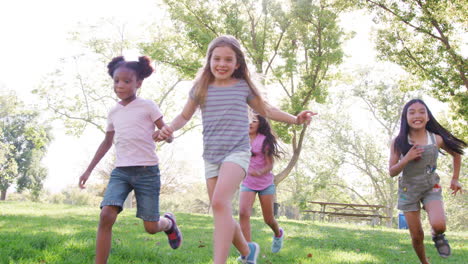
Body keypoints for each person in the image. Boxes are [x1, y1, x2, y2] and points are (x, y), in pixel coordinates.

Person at [155, 35, 316, 264]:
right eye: (217, 59)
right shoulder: (200, 87)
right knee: (222, 213)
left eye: (228, 60)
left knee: (220, 203)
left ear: (237, 63)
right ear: (209, 60)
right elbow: (184, 116)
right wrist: (168, 128)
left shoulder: (242, 86)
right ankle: (247, 252)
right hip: (211, 156)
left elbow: (267, 109)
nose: (222, 64)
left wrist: (295, 119)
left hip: (237, 153)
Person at [78, 56, 182, 264]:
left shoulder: (148, 106)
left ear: (138, 83)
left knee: (151, 228)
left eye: (126, 81)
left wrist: (164, 134)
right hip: (121, 172)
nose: (120, 85)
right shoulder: (114, 112)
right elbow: (107, 142)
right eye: (117, 81)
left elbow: (169, 134)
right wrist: (88, 170)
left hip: (147, 171)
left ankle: (168, 224)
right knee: (106, 215)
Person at [389, 99, 465, 264]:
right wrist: (406, 158)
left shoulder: (435, 139)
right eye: (412, 112)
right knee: (417, 236)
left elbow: (457, 154)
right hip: (408, 192)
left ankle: (437, 235)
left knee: (439, 225)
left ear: (428, 117)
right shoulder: (399, 141)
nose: (417, 115)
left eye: (422, 112)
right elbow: (392, 172)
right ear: (405, 117)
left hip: (431, 187)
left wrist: (455, 178)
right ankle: (425, 262)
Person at [239, 114, 284, 254]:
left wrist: (260, 171)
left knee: (268, 219)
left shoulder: (264, 140)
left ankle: (278, 233)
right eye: (248, 120)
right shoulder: (241, 140)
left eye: (254, 121)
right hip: (247, 182)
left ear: (260, 124)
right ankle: (248, 250)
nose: (250, 123)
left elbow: (270, 164)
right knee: (243, 213)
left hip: (265, 184)